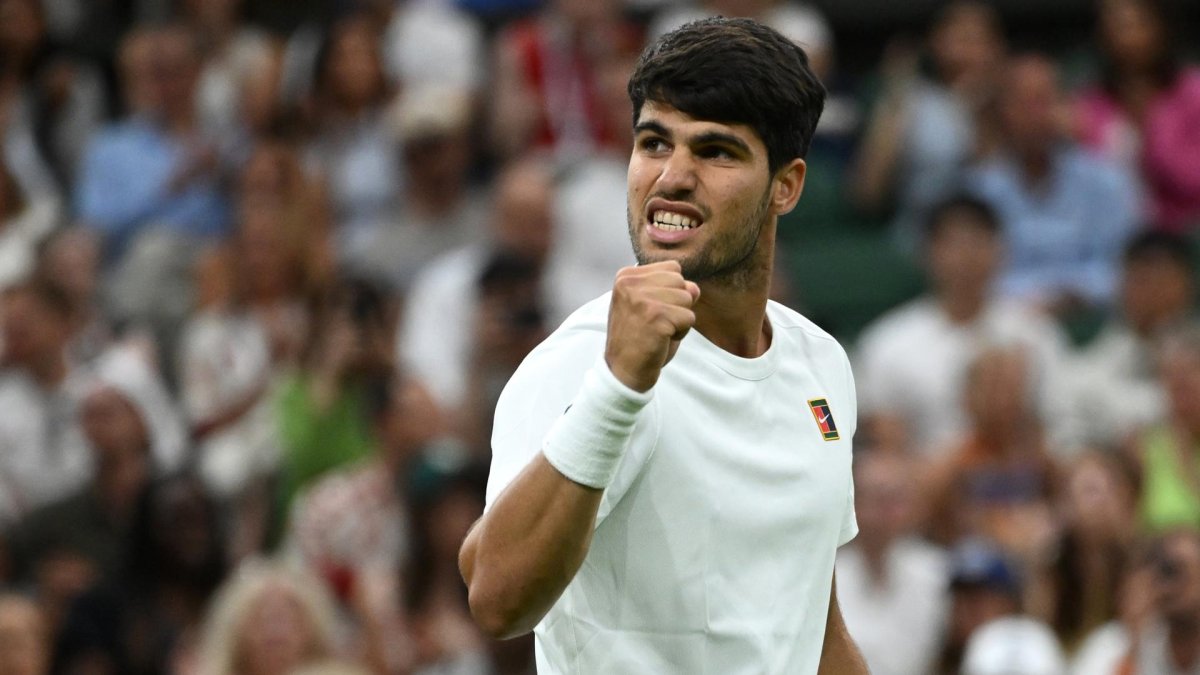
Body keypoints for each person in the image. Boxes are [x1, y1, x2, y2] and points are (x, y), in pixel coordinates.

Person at [459, 18, 867, 672]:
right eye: (654, 143)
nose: (672, 178)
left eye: (715, 152)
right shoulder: (579, 359)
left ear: (786, 186)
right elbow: (497, 597)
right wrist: (619, 387)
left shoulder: (822, 364)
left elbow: (813, 625)